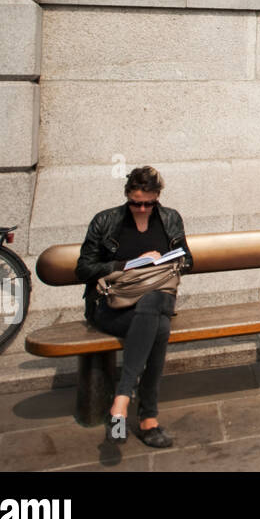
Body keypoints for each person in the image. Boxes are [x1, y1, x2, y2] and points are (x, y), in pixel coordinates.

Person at [76, 165, 192, 447]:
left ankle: (121, 402)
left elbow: (188, 261)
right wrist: (125, 264)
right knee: (159, 326)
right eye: (135, 203)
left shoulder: (170, 219)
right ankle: (147, 419)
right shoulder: (106, 220)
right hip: (113, 307)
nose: (141, 209)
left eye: (148, 204)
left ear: (157, 197)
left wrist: (165, 261)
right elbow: (84, 269)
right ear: (127, 196)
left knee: (153, 305)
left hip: (156, 298)